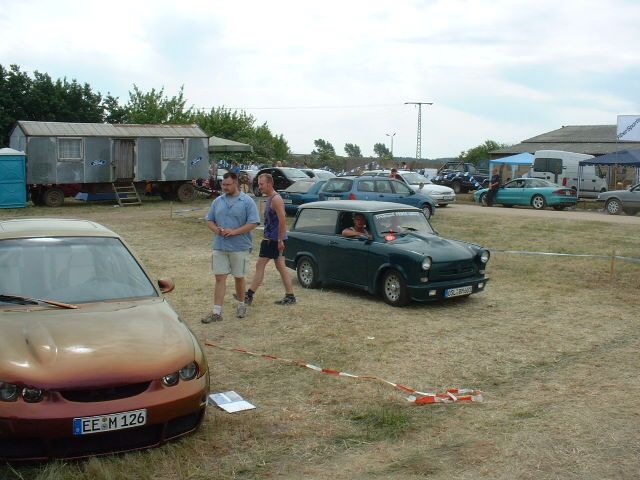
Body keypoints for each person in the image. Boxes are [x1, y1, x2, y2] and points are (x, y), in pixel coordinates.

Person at [202, 172, 260, 323]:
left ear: (236, 184)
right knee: (220, 277)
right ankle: (216, 313)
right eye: (223, 185)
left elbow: (253, 223)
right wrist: (217, 230)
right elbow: (209, 220)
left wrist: (234, 232)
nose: (225, 187)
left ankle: (241, 305)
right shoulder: (218, 201)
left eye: (228, 185)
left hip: (240, 247)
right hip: (220, 246)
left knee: (239, 277)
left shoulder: (247, 201)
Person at [244, 173, 296, 306]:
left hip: (273, 241)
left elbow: (283, 219)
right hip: (271, 239)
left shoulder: (276, 199)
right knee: (281, 268)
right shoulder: (270, 198)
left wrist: (280, 240)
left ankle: (249, 295)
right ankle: (290, 296)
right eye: (259, 184)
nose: (259, 187)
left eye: (261, 184)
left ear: (269, 184)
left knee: (260, 266)